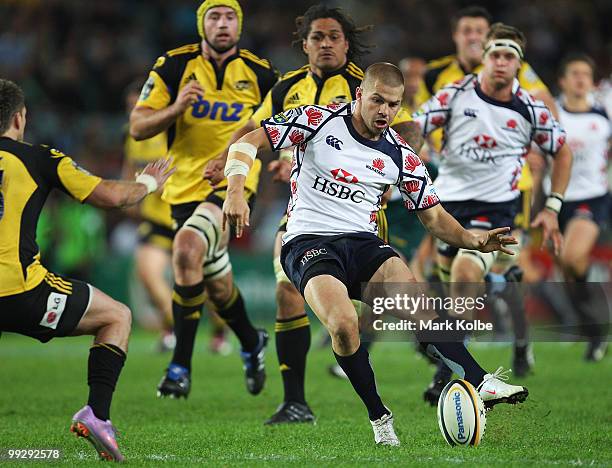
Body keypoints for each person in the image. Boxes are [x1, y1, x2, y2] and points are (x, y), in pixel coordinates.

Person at [222, 62, 529, 446]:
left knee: (418, 304)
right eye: (377, 101)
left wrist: (473, 240)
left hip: (364, 245)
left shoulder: (401, 154)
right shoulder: (317, 120)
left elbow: (433, 216)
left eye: (393, 105)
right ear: (359, 96)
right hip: (308, 242)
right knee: (344, 325)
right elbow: (247, 141)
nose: (384, 112)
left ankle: (480, 380)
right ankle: (379, 416)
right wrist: (235, 190)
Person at [206, 4, 415, 425]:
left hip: (358, 216)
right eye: (317, 37)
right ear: (304, 45)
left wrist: (385, 179)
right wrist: (223, 158)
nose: (324, 44)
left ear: (346, 43)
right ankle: (296, 401)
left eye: (333, 37)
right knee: (287, 292)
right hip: (305, 212)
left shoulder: (368, 86)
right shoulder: (286, 88)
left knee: (392, 302)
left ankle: (439, 366)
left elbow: (408, 132)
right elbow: (254, 127)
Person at [0, 79, 174, 461]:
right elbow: (111, 196)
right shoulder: (39, 158)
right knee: (117, 316)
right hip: (19, 291)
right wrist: (148, 181)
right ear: (19, 117)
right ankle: (97, 415)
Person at [413, 22, 573, 399]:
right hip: (446, 210)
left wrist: (552, 206)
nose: (501, 62)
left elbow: (562, 151)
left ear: (519, 63)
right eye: (495, 54)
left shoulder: (530, 108)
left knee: (466, 275)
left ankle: (450, 374)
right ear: (483, 57)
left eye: (509, 56)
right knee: (446, 287)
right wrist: (411, 151)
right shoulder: (453, 95)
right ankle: (503, 293)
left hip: (497, 211)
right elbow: (414, 125)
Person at [129, 0, 278, 399]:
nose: (223, 23)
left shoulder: (261, 73)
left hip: (234, 180)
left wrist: (258, 163)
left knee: (186, 248)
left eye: (230, 17)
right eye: (214, 16)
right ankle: (250, 340)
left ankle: (179, 366)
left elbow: (280, 126)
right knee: (215, 281)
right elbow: (138, 126)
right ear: (202, 24)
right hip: (181, 187)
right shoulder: (173, 66)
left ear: (240, 25)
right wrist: (177, 107)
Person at [552, 54, 610, 361]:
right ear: (562, 81)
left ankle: (597, 324)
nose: (580, 79)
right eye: (574, 73)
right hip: (557, 199)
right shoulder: (553, 114)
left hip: (593, 197)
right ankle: (593, 331)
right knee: (566, 269)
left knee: (574, 257)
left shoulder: (603, 115)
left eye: (585, 74)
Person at [122, 80, 176, 351]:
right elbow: (128, 171)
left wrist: (149, 183)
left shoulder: (172, 131)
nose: (135, 112)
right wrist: (128, 196)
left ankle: (219, 333)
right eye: (132, 108)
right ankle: (174, 329)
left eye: (140, 107)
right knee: (148, 273)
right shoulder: (133, 139)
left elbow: (185, 172)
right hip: (155, 219)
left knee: (211, 287)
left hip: (182, 214)